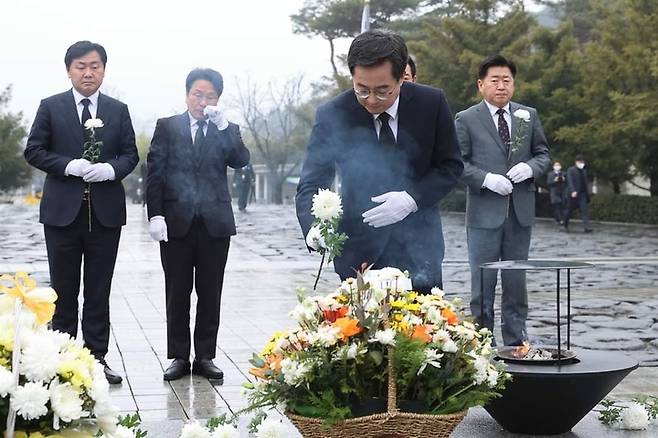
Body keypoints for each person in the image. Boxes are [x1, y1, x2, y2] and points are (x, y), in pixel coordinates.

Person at [296, 30, 463, 292]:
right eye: (362, 90)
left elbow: (450, 166)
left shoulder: (430, 104)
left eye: (383, 91)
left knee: (424, 329)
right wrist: (314, 227)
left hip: (420, 246)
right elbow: (312, 181)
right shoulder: (333, 113)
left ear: (401, 78)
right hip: (359, 249)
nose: (372, 100)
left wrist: (412, 199)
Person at [24, 41, 139, 383]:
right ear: (69, 70)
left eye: (95, 66)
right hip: (61, 215)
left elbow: (130, 155)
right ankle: (63, 360)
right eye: (80, 66)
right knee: (63, 290)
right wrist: (67, 165)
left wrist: (111, 170)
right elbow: (34, 151)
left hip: (105, 216)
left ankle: (96, 358)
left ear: (104, 69)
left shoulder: (118, 110)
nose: (88, 73)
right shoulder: (51, 107)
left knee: (99, 290)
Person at [146, 68, 250, 381]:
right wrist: (156, 214)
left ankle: (205, 356)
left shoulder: (224, 127)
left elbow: (241, 160)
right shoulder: (168, 126)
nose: (202, 101)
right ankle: (179, 356)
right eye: (197, 94)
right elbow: (155, 173)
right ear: (187, 93)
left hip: (214, 224)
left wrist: (225, 127)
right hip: (176, 224)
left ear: (218, 98)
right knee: (177, 292)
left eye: (210, 96)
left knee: (210, 292)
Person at [455, 54, 550, 346]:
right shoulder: (466, 118)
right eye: (494, 80)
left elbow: (543, 154)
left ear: (514, 84)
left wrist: (530, 168)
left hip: (520, 213)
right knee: (483, 280)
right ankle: (482, 342)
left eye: (506, 80)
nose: (501, 86)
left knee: (516, 280)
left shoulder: (527, 115)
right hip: (484, 213)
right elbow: (457, 163)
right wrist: (486, 179)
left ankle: (516, 340)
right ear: (480, 84)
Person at [564, 156, 593, 233]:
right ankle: (565, 224)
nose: (582, 164)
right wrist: (573, 191)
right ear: (576, 162)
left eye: (583, 162)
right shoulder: (571, 170)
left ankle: (587, 227)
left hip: (582, 194)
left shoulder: (583, 171)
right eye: (580, 162)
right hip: (573, 194)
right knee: (569, 210)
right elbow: (570, 181)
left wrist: (587, 194)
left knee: (584, 210)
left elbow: (585, 183)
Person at [547, 161, 567, 225]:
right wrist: (554, 180)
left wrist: (564, 180)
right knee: (557, 206)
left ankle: (559, 219)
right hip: (554, 193)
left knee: (562, 206)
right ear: (553, 167)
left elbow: (568, 183)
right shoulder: (550, 174)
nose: (557, 167)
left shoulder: (564, 173)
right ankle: (560, 219)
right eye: (556, 165)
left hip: (562, 192)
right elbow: (549, 183)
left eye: (558, 165)